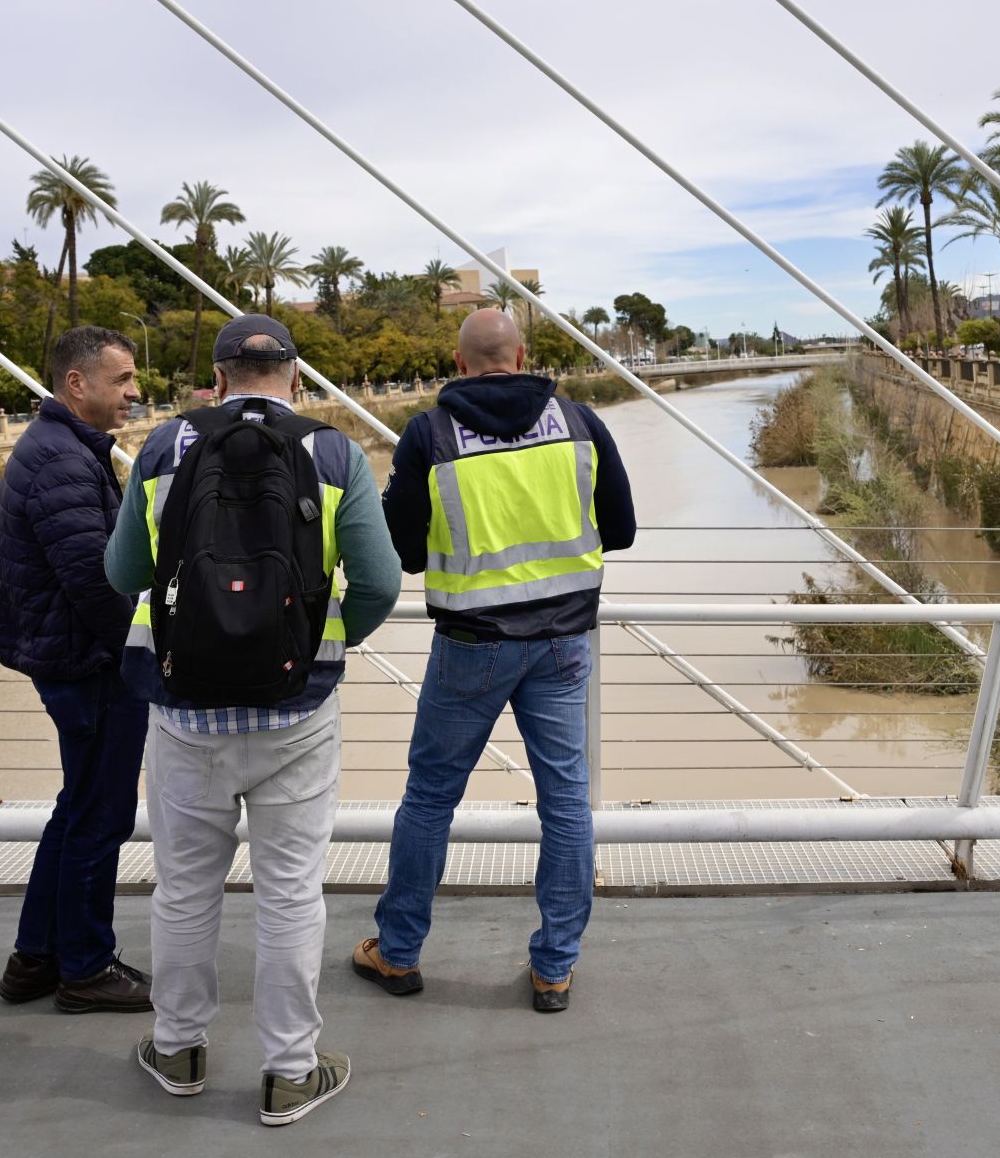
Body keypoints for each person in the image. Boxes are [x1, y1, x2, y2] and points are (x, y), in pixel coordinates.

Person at [106, 314, 398, 1126]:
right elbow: (377, 582)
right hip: (295, 715)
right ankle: (291, 1073)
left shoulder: (165, 449)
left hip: (183, 715)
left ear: (218, 378)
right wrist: (310, 646)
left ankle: (178, 1050)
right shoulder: (334, 453)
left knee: (186, 890)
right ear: (295, 379)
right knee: (292, 895)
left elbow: (122, 570)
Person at [357, 308, 635, 1013]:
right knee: (567, 802)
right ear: (522, 356)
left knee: (429, 800)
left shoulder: (429, 435)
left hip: (471, 647)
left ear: (459, 365)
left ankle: (397, 954)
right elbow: (622, 529)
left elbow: (408, 551)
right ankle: (554, 969)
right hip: (564, 645)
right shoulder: (579, 422)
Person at [0, 325, 152, 1013]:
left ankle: (36, 957)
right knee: (99, 814)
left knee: (74, 807)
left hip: (67, 657)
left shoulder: (61, 446)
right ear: (76, 383)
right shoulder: (61, 460)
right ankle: (84, 968)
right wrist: (147, 654)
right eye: (122, 380)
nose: (135, 392)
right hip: (87, 665)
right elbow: (95, 582)